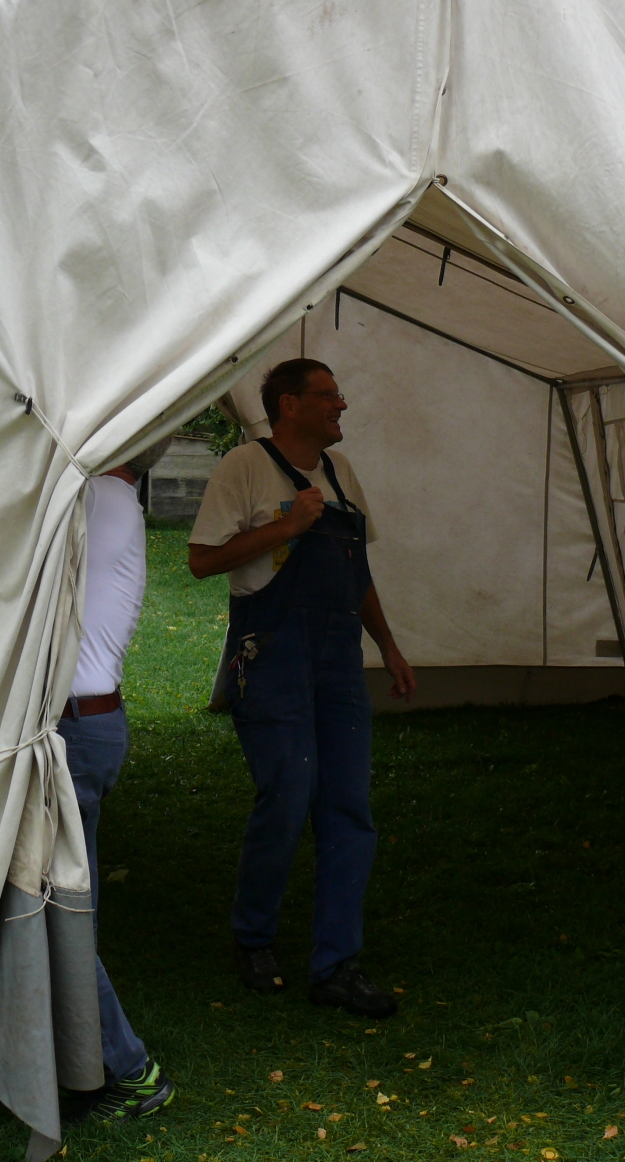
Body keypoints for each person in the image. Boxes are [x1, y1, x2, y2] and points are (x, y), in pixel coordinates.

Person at [188, 358, 416, 1019]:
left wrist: (388, 645)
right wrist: (286, 527)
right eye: (329, 395)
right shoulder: (244, 468)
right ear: (289, 404)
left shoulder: (342, 475)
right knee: (286, 797)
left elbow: (357, 574)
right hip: (273, 658)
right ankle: (254, 937)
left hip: (339, 664)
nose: (341, 405)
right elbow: (202, 560)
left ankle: (337, 965)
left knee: (348, 808)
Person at [56, 440, 176, 1120]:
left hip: (76, 729)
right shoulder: (117, 498)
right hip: (91, 725)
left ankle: (130, 1072)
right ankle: (78, 1061)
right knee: (76, 907)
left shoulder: (98, 494)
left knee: (58, 909)